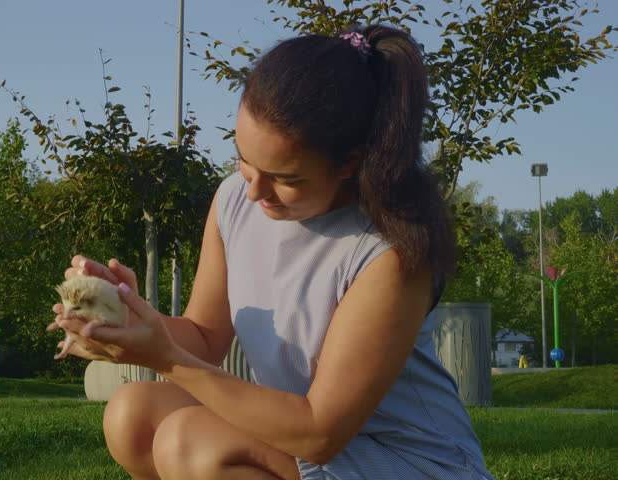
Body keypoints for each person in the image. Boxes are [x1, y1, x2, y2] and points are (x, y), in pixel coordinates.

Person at [48, 24, 495, 480]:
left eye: (287, 177)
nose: (256, 191)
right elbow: (203, 336)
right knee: (134, 415)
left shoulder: (389, 253)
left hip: (407, 461)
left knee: (190, 442)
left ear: (349, 162)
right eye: (243, 158)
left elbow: (320, 433)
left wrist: (164, 358)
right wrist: (123, 318)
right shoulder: (233, 201)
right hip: (309, 439)